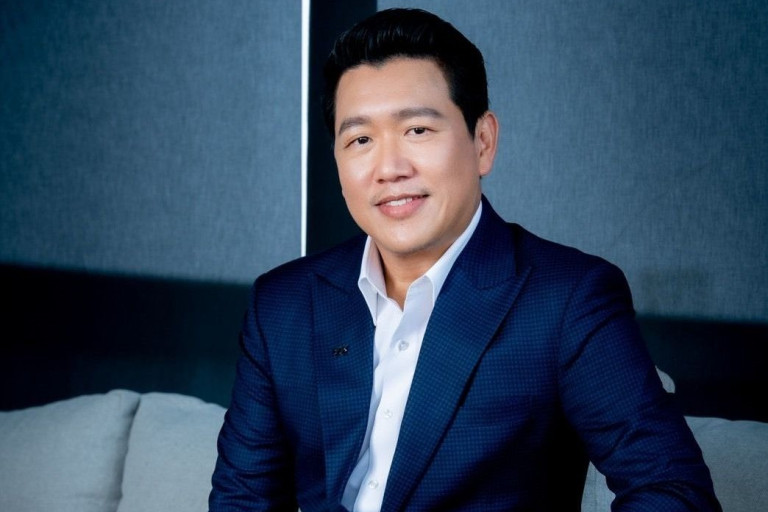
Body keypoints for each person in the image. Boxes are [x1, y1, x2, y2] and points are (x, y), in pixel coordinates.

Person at [209, 8, 720, 511]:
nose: (389, 168)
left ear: (483, 142)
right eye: (360, 139)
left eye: (417, 130)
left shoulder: (567, 299)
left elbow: (673, 492)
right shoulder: (283, 305)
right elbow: (241, 500)